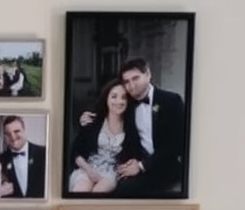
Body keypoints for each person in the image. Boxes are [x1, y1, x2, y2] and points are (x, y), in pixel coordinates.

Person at [111, 56, 186, 197]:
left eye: (135, 78)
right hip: (139, 163)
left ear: (148, 74)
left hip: (166, 166)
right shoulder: (128, 105)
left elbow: (175, 145)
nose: (131, 86)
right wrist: (87, 117)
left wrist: (141, 166)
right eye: (126, 82)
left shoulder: (171, 101)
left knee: (124, 190)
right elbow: (109, 109)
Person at [68, 78, 141, 196]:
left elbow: (136, 154)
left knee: (98, 193)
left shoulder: (131, 126)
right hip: (88, 168)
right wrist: (89, 170)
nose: (119, 101)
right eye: (114, 96)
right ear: (106, 99)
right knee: (81, 190)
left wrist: (131, 165)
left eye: (124, 97)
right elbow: (75, 152)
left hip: (111, 173)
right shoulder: (93, 120)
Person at [0, 115, 46, 199]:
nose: (12, 137)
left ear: (24, 130)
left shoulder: (44, 153)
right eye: (8, 134)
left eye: (16, 131)